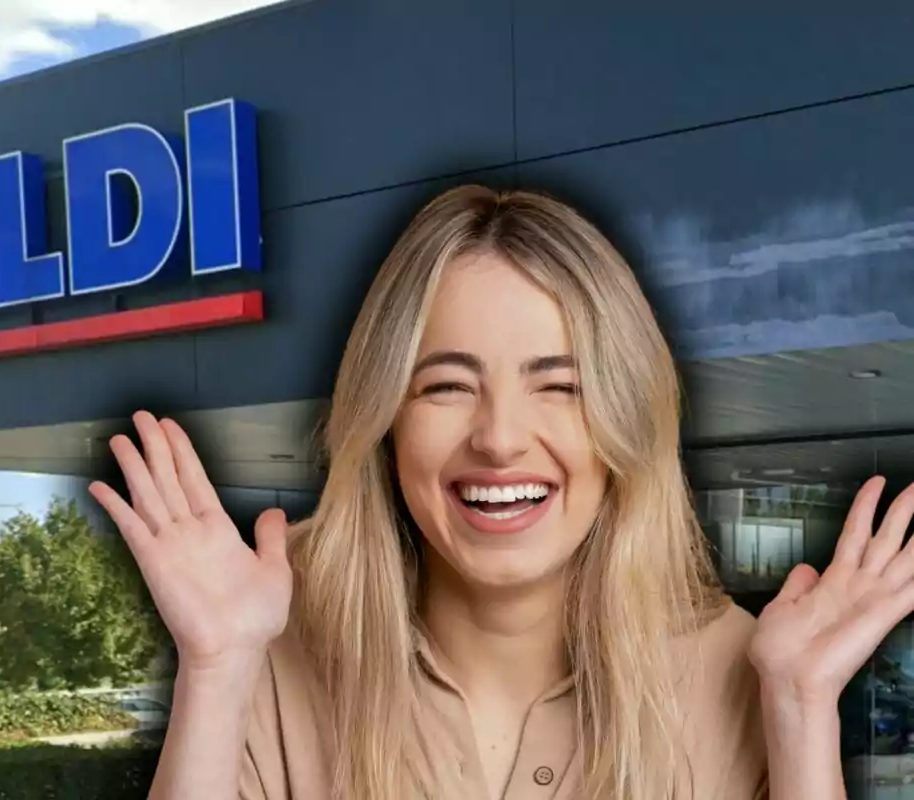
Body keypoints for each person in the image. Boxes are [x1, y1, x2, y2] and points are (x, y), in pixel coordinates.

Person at [90, 185, 914, 799]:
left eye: (559, 386)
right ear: (384, 419)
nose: (499, 437)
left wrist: (803, 710)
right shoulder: (272, 641)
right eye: (446, 386)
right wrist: (218, 665)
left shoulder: (730, 663)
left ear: (624, 423)